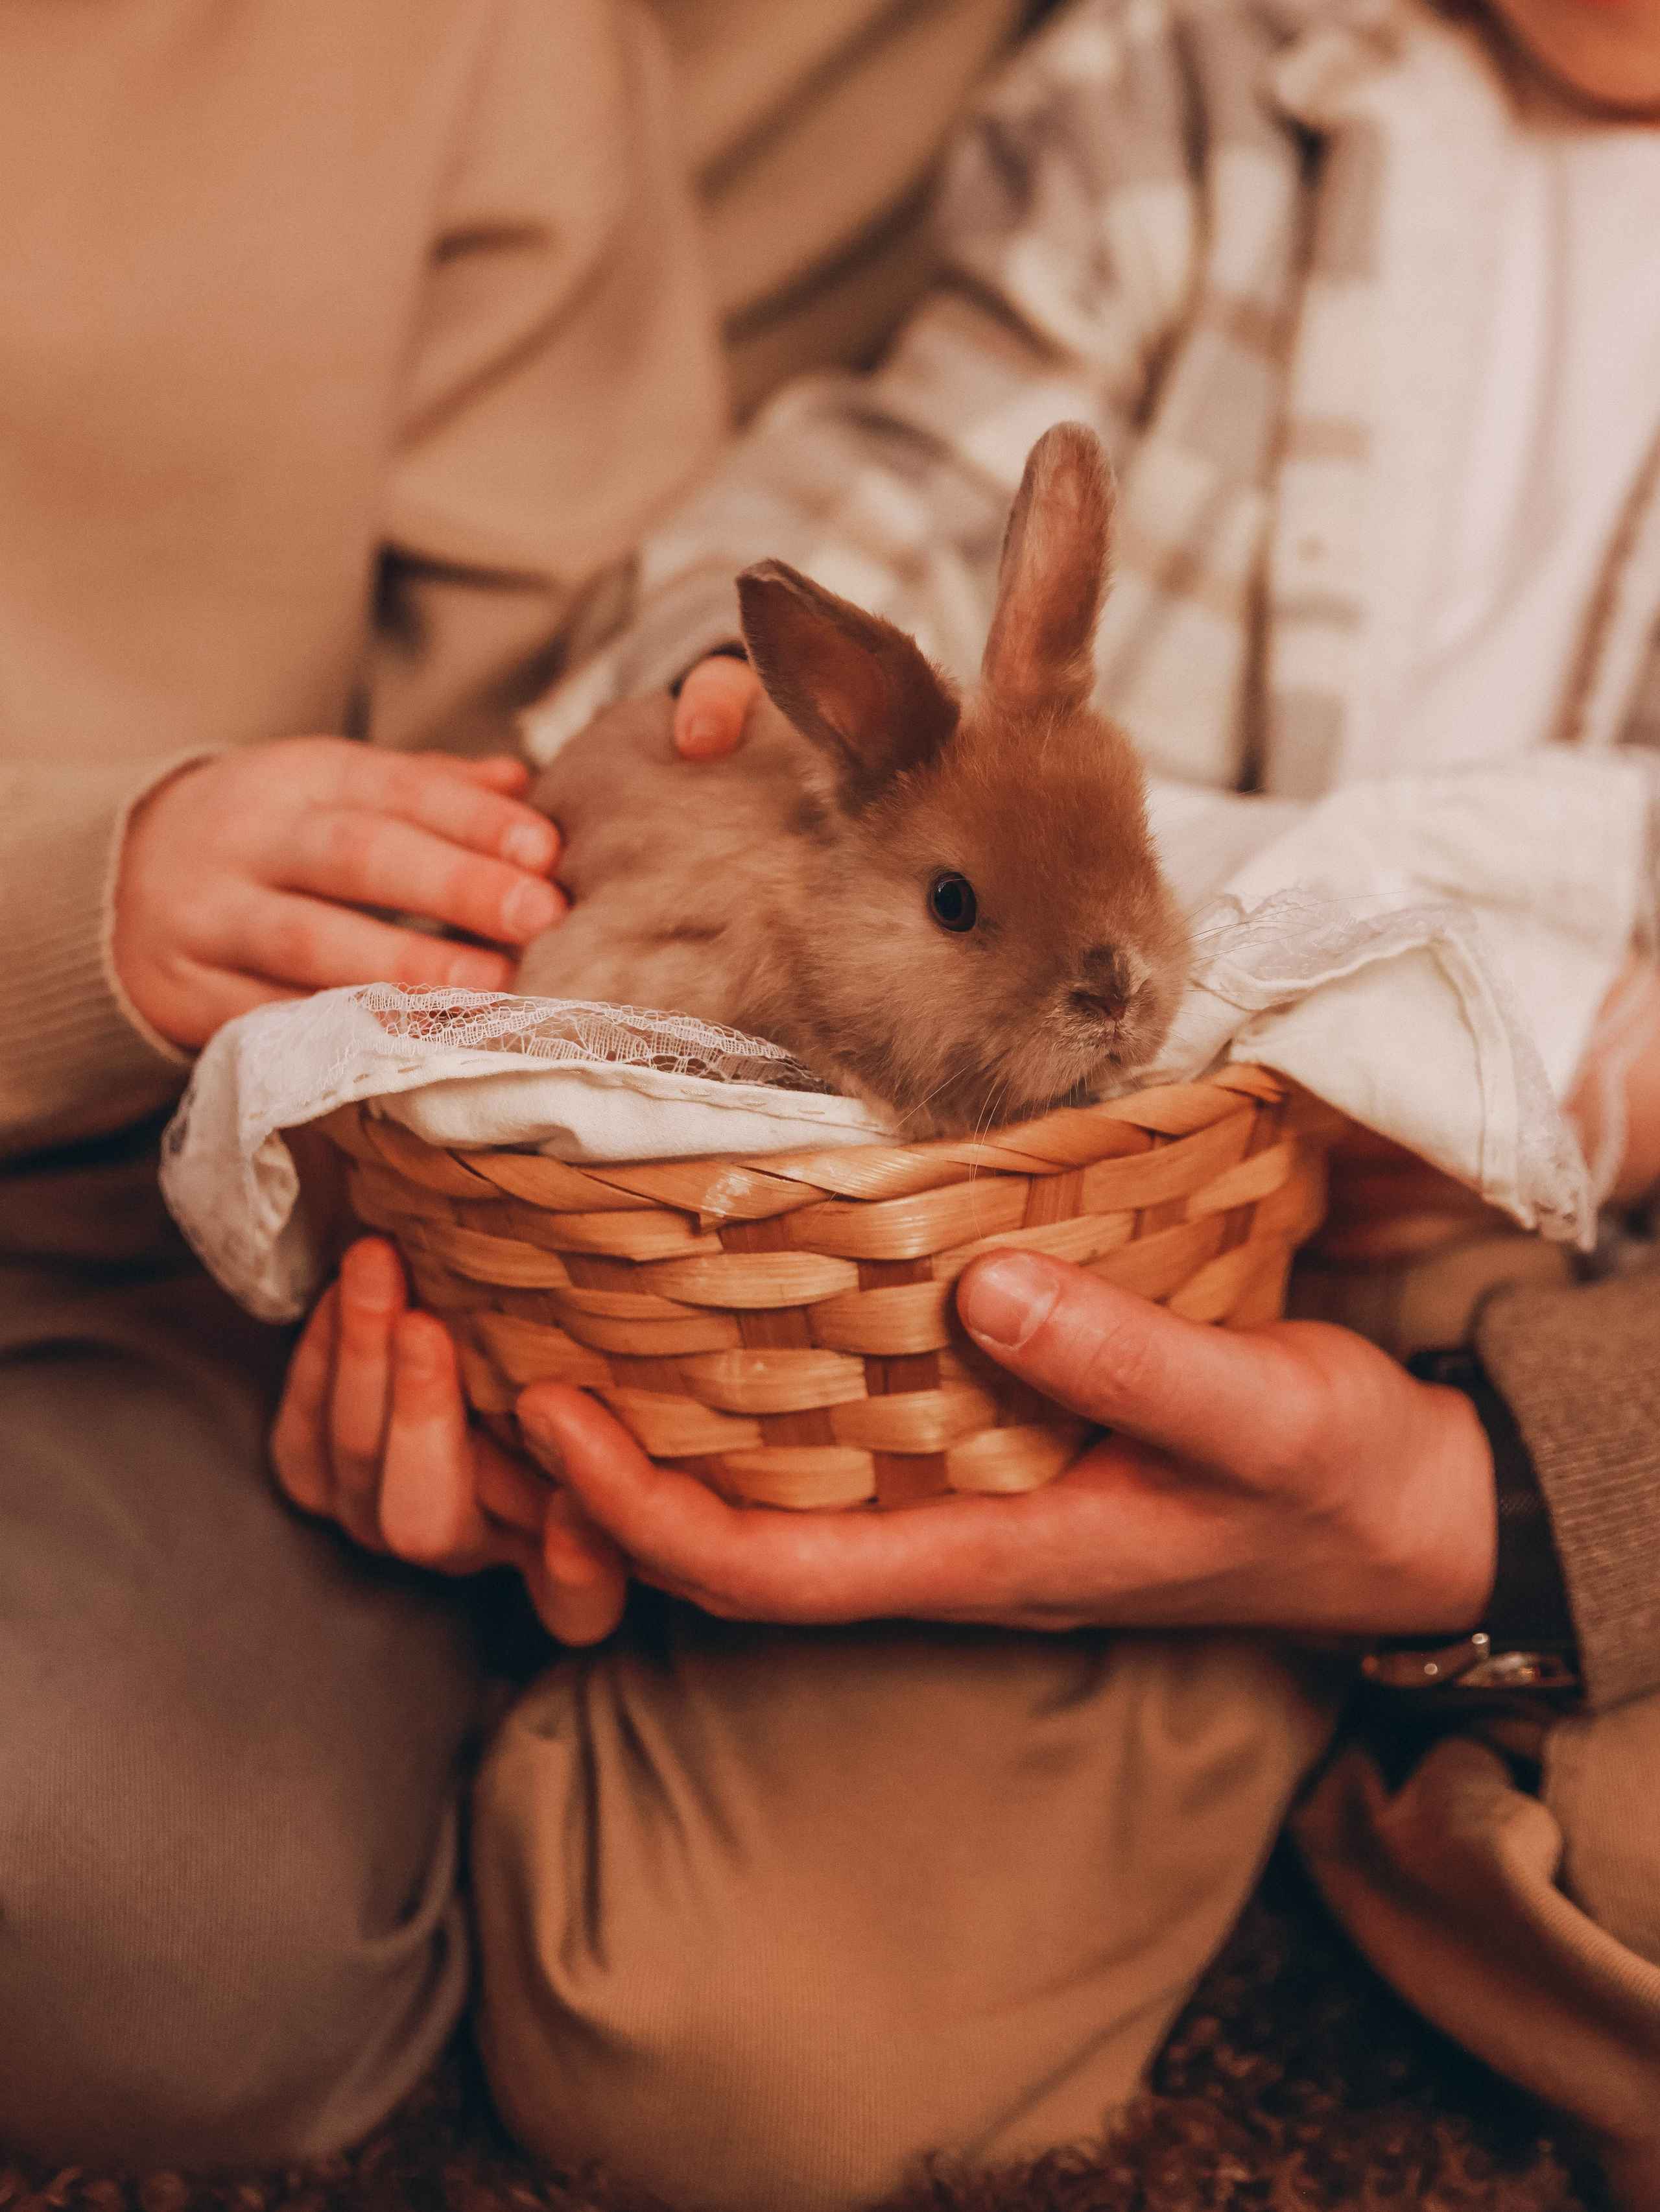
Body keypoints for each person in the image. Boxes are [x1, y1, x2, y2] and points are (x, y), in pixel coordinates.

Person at [271, 0, 1660, 2203]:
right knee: (715, 2047)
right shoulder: (1198, 74)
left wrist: (1500, 1487)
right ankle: (1290, 1741)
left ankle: (1438, 1704)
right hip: (1101, 1245)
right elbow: (918, 472)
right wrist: (700, 695)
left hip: (1597, 1297)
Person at [0, 0, 1034, 2171]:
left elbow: (532, 807)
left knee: (170, 1906)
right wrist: (75, 902)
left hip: (170, 1236)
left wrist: (468, 1259)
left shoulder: (485, 49)